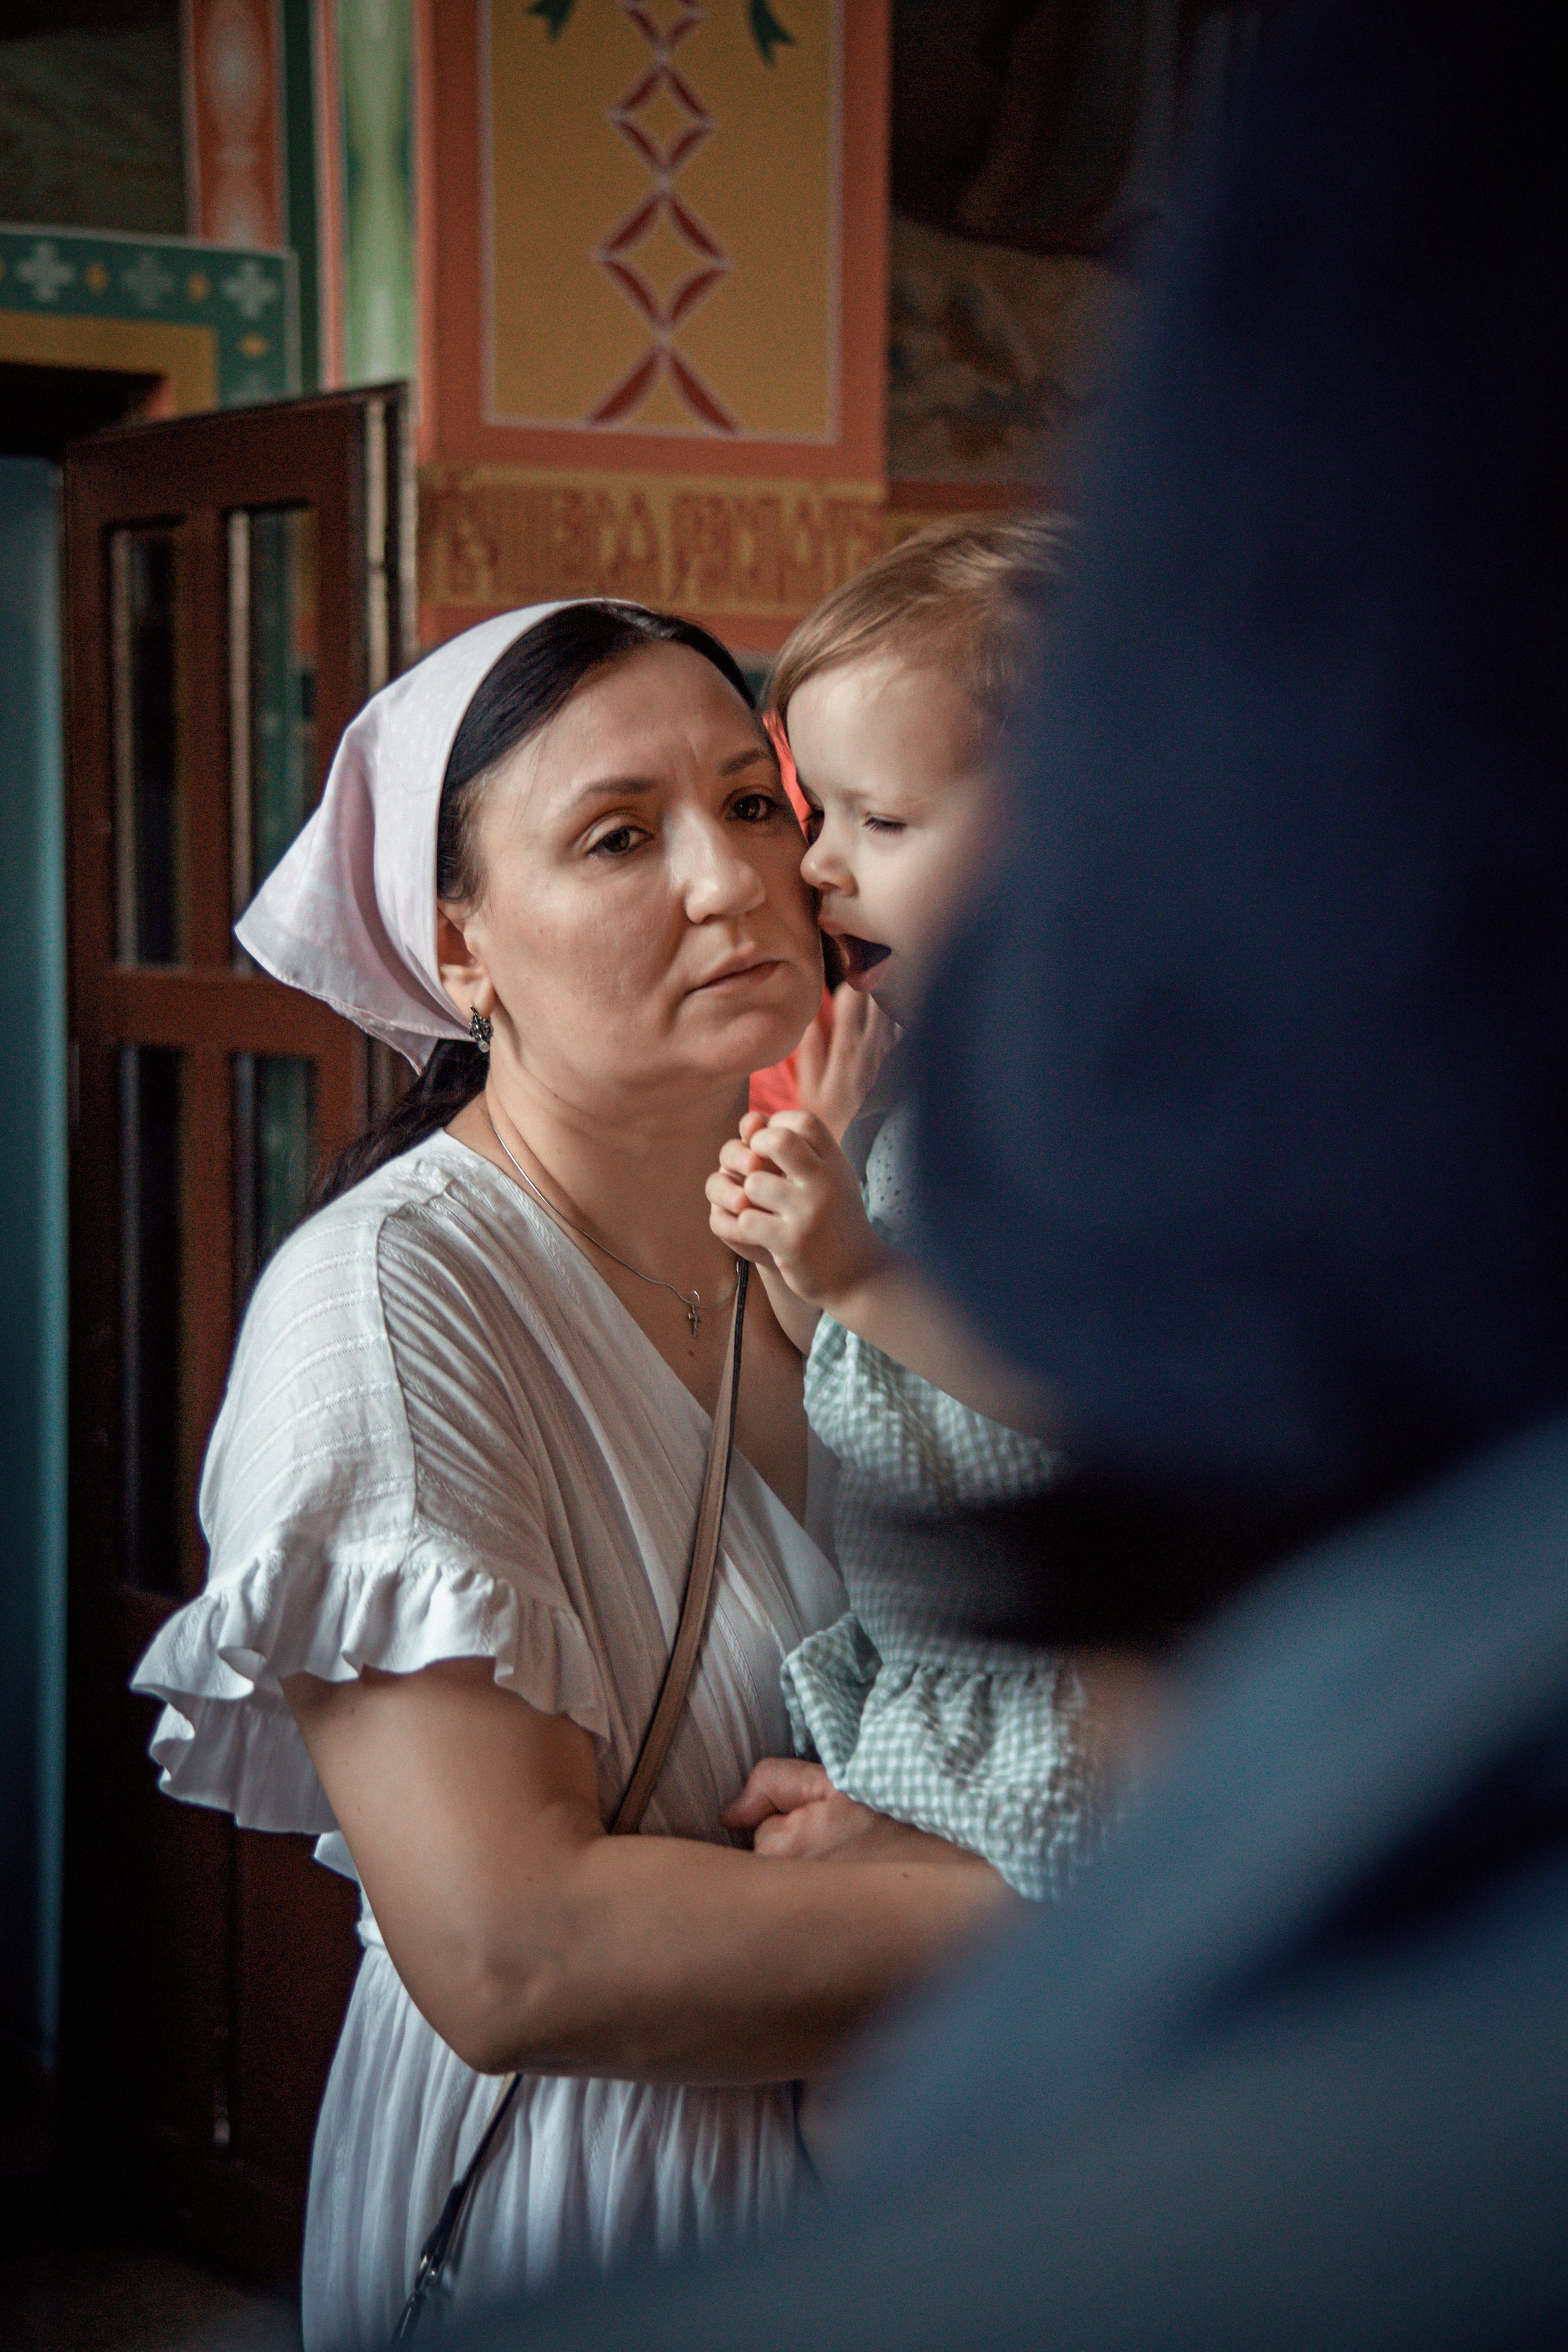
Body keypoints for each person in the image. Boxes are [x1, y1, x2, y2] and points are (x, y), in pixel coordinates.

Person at [448, 1, 1568, 2346]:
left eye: (821, 820)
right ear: (460, 942)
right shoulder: (848, 1109)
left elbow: (1070, 1430)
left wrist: (840, 1269)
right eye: (684, 827)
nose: (781, 883)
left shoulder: (1151, 1145)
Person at [129, 601, 1014, 2349]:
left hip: (920, 2188)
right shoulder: (395, 1303)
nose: (732, 880)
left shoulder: (853, 1237)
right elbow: (512, 1950)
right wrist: (1070, 1900)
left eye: (756, 805)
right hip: (603, 2210)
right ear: (459, 943)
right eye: (620, 837)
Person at [709, 520, 1117, 1910]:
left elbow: (1085, 1389)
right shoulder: (916, 1089)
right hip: (931, 1687)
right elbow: (837, 1348)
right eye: (810, 815)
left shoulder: (1098, 1103)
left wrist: (857, 1270)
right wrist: (794, 1219)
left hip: (1069, 1716)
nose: (816, 869)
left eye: (878, 823)